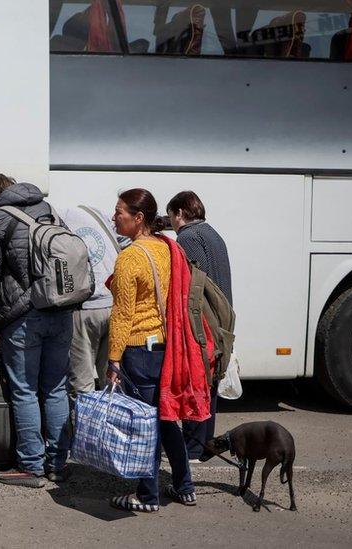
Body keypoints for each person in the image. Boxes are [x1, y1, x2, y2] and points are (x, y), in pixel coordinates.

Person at [105, 188, 209, 513]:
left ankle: (147, 496)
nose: (113, 217)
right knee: (166, 420)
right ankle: (185, 487)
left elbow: (123, 315)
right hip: (167, 346)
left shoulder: (131, 257)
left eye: (119, 211)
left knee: (144, 423)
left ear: (138, 219)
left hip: (139, 348)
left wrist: (113, 359)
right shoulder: (169, 248)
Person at [0, 175, 73, 488]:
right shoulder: (50, 210)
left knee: (25, 390)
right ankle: (58, 463)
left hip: (22, 319)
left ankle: (31, 466)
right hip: (60, 312)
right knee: (56, 388)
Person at [166, 190, 232, 462]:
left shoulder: (188, 237)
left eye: (171, 216)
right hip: (222, 317)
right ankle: (204, 445)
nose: (170, 222)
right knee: (210, 382)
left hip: (204, 320)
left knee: (196, 381)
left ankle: (192, 447)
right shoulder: (212, 233)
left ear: (180, 213)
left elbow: (194, 284)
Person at [60, 205, 125, 395]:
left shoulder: (59, 217)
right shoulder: (96, 213)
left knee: (82, 382)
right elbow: (125, 239)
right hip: (112, 303)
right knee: (112, 378)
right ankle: (112, 422)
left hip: (84, 308)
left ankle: (85, 423)